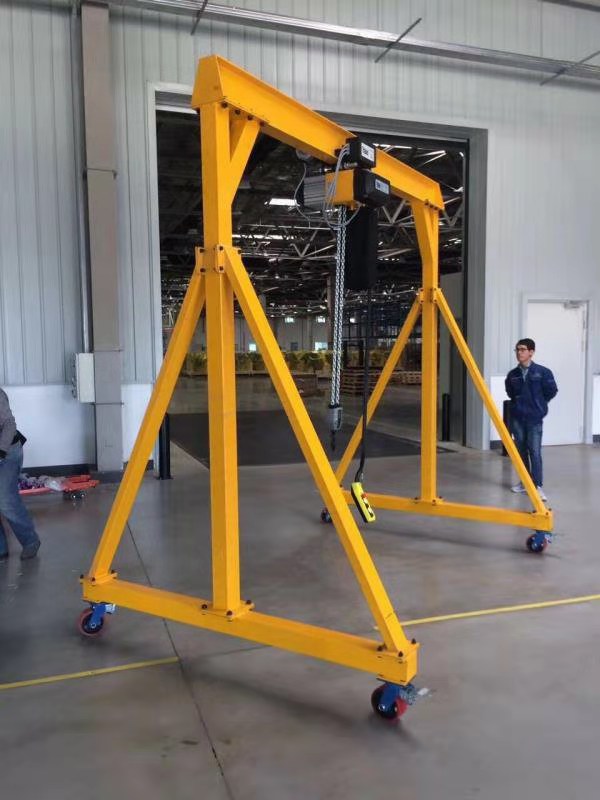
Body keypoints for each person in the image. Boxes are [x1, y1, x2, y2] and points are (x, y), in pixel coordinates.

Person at [505, 338, 558, 501]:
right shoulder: (512, 374)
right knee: (521, 451)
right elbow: (510, 393)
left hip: (534, 418)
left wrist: (539, 405)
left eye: (522, 349)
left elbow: (551, 391)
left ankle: (537, 485)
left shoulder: (543, 372)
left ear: (531, 352)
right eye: (517, 350)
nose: (519, 352)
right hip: (518, 418)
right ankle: (525, 482)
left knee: (534, 451)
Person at [0, 388, 41, 560]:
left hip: (7, 452)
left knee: (5, 499)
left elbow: (9, 424)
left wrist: (1, 452)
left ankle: (30, 541)